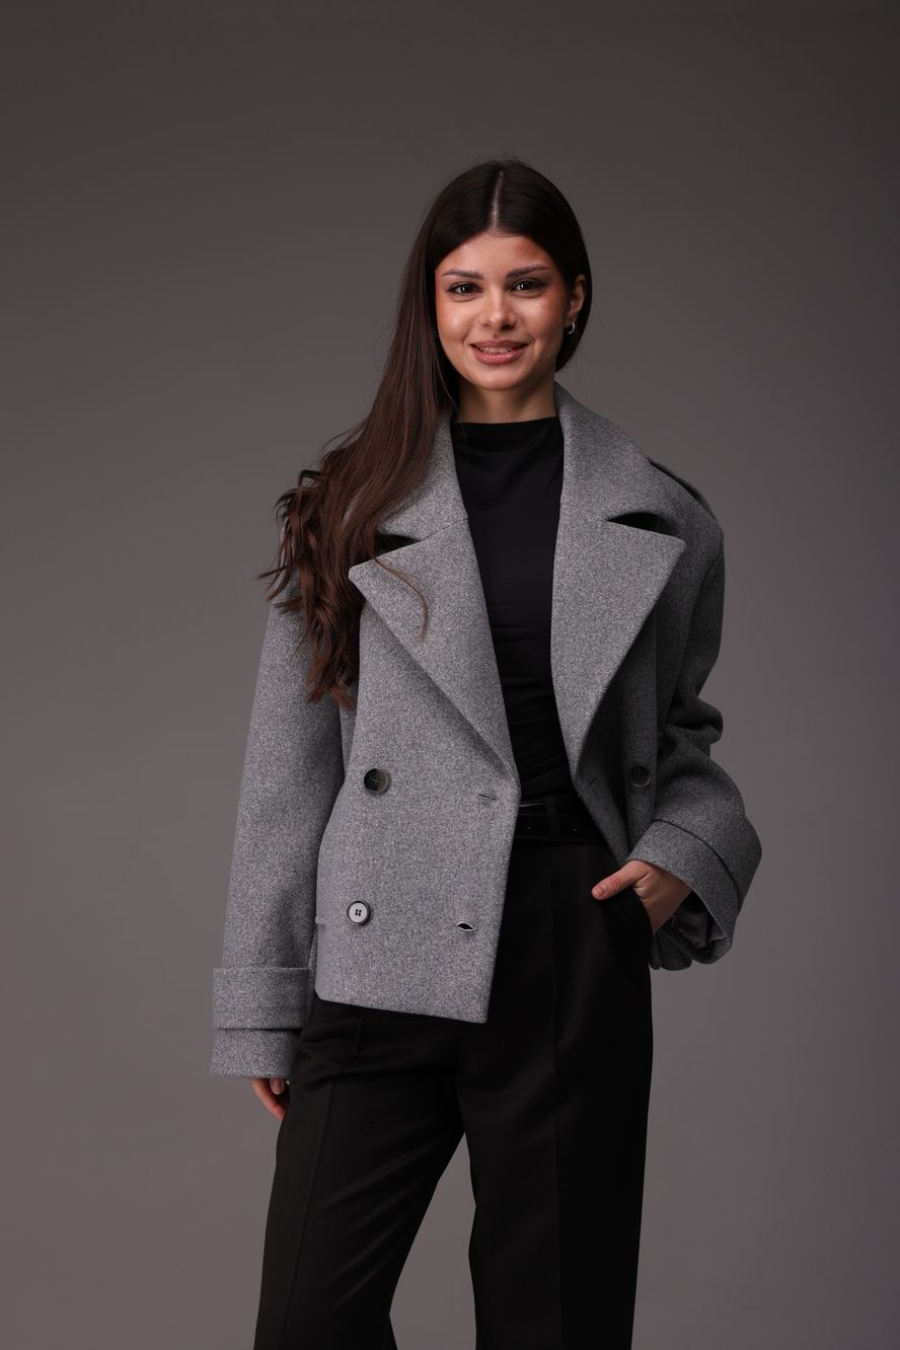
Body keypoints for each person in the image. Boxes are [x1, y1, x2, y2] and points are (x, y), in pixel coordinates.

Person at [209, 156, 762, 1350]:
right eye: (464, 287)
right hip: (379, 941)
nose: (495, 316)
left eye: (526, 284)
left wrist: (688, 848)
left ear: (575, 297)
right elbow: (287, 775)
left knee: (553, 1323)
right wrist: (264, 1000)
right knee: (307, 1322)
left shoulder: (664, 515)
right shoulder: (350, 502)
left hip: (570, 937)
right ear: (431, 304)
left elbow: (679, 739)